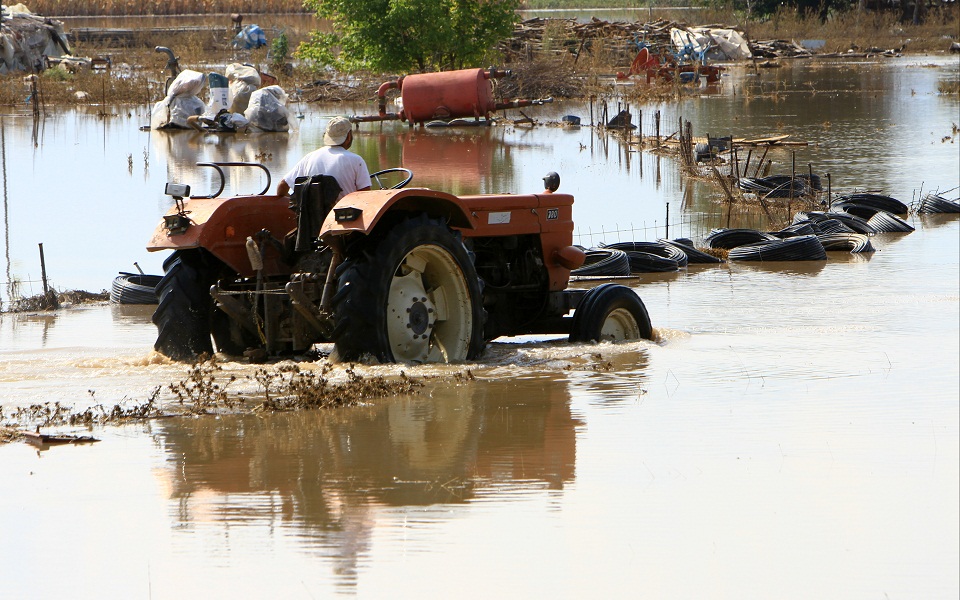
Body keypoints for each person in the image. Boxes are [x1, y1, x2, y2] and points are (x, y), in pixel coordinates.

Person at [276, 116, 371, 198]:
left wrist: (299, 204)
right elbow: (365, 198)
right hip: (345, 217)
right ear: (349, 136)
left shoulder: (309, 158)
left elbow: (281, 188)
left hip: (313, 219)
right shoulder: (356, 161)